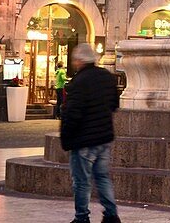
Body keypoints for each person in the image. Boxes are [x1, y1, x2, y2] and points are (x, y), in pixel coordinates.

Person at [60, 43, 120, 223]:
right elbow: (114, 105)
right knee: (102, 177)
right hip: (104, 137)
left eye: (75, 60)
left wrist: (66, 137)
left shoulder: (78, 82)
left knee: (81, 181)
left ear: (80, 61)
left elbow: (73, 113)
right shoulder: (107, 78)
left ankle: (82, 217)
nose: (74, 63)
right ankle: (111, 214)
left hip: (83, 139)